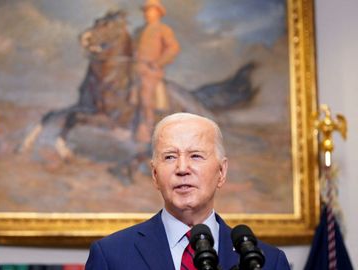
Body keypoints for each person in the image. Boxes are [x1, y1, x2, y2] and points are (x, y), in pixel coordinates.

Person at [85, 112, 290, 270]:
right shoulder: (111, 256)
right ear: (155, 174)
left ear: (221, 171)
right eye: (170, 157)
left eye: (196, 156)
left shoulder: (269, 262)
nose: (182, 168)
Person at [133, 0, 180, 144]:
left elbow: (173, 48)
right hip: (135, 70)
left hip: (151, 71)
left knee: (146, 96)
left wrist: (158, 63)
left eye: (150, 10)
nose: (147, 13)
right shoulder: (138, 31)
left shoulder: (163, 29)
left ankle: (146, 132)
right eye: (145, 11)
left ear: (158, 13)